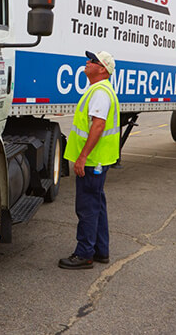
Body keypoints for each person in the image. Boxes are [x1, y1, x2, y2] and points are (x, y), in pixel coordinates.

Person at [59, 50, 120, 269]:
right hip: (99, 160)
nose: (87, 62)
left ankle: (84, 254)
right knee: (97, 204)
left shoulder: (100, 93)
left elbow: (98, 125)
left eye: (93, 61)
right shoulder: (100, 90)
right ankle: (101, 250)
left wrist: (82, 157)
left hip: (93, 161)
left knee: (87, 207)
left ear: (102, 69)